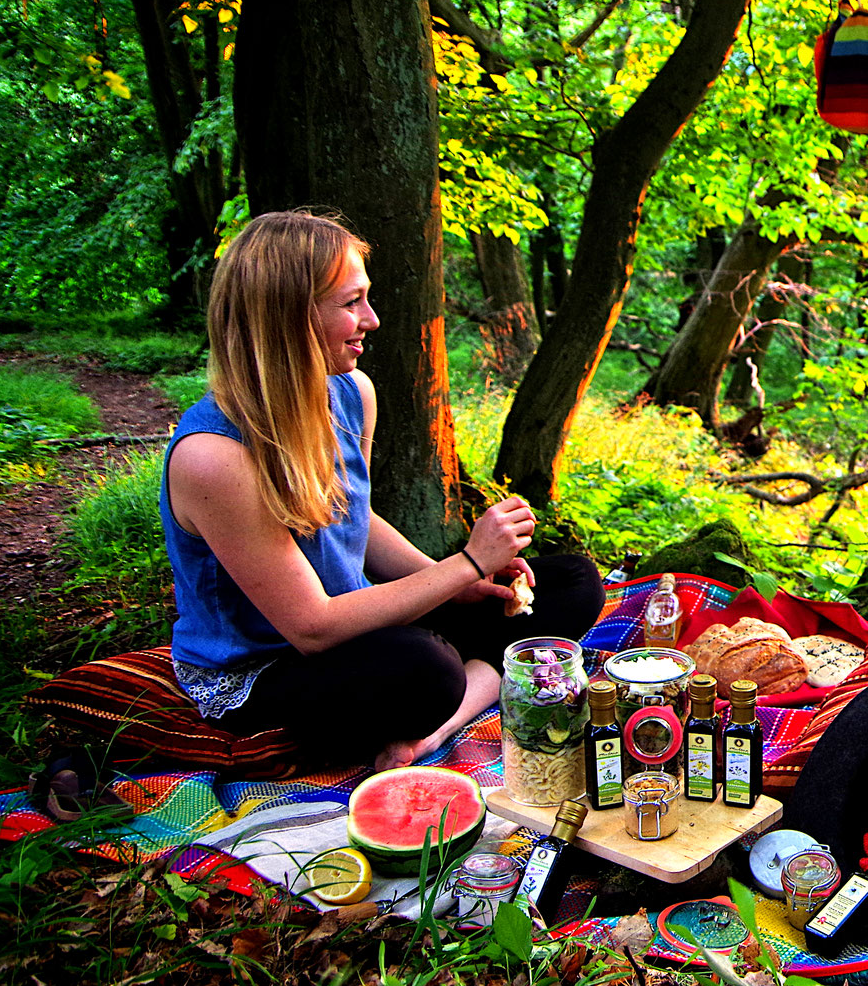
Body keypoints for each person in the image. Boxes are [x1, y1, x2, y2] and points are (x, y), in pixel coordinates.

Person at [162, 211, 604, 771]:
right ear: (287, 318)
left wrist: (458, 587)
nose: (371, 319)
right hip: (266, 668)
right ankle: (454, 697)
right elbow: (312, 626)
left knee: (573, 583)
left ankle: (424, 736)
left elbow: (357, 519)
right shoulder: (214, 457)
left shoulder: (350, 393)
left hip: (357, 626)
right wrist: (466, 563)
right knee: (424, 668)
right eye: (350, 303)